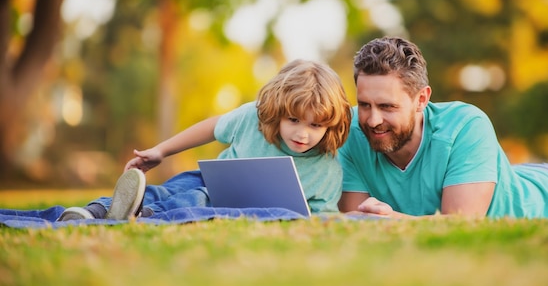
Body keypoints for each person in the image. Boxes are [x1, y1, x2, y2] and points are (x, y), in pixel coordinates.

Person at [338, 36, 548, 219]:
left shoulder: (465, 125)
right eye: (365, 105)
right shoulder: (352, 131)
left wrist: (391, 220)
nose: (373, 120)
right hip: (508, 176)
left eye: (387, 107)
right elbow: (357, 219)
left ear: (421, 99)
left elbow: (460, 225)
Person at [58, 59, 352, 221]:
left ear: (331, 125)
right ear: (277, 112)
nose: (302, 133)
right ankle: (94, 211)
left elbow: (321, 217)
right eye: (294, 120)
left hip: (226, 205)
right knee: (168, 189)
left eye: (316, 125)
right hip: (208, 179)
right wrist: (162, 151)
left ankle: (144, 216)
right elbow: (211, 128)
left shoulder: (328, 169)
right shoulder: (254, 117)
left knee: (198, 201)